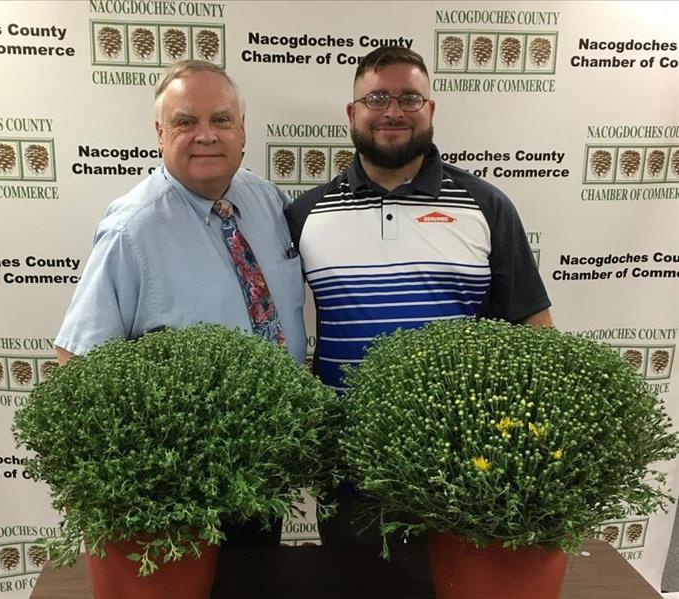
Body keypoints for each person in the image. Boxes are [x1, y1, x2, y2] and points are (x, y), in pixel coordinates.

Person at [286, 46, 552, 545]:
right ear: (352, 113)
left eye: (410, 98)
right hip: (346, 463)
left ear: (430, 110)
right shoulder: (306, 214)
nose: (393, 112)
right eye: (377, 98)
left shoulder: (486, 206)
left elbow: (534, 332)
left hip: (461, 466)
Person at [55, 59, 306, 547]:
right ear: (159, 132)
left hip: (269, 465)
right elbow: (77, 361)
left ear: (243, 130)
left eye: (221, 120)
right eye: (185, 122)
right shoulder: (133, 229)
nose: (206, 136)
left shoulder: (267, 199)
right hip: (184, 486)